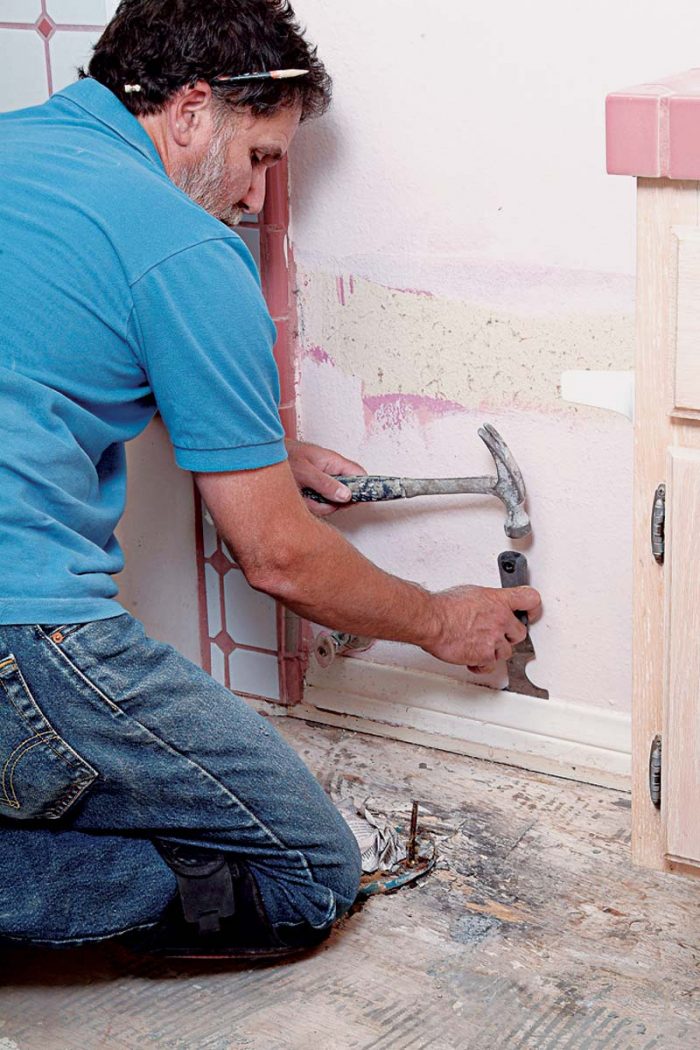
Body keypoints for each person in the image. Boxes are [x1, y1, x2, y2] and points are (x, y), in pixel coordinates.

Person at [0, 0, 540, 960]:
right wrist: (438, 619)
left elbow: (43, 338)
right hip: (20, 627)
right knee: (305, 876)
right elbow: (279, 558)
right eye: (261, 158)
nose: (256, 200)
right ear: (194, 107)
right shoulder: (186, 246)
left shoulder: (22, 152)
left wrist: (247, 442)